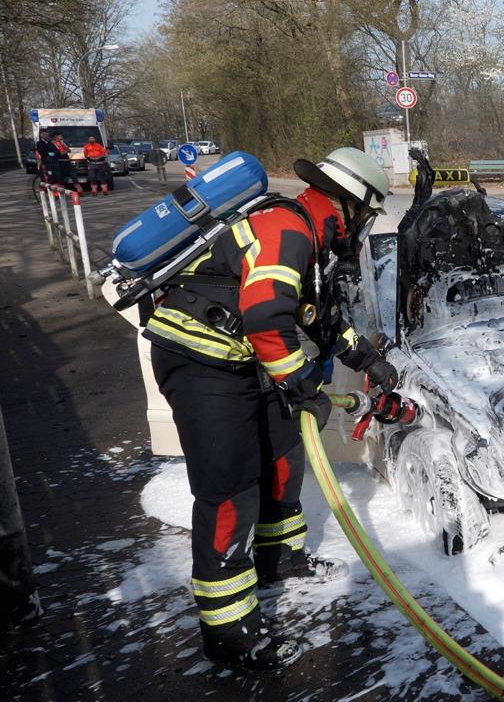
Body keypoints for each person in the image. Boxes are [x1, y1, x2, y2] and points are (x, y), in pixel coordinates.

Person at [141, 147, 398, 671]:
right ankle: (230, 634)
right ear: (349, 207)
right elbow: (265, 319)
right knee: (230, 489)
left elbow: (317, 318)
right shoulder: (287, 229)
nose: (364, 227)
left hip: (241, 361)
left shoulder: (308, 235)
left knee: (282, 456)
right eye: (367, 215)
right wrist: (304, 388)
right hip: (200, 364)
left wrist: (369, 361)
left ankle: (279, 559)